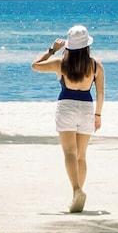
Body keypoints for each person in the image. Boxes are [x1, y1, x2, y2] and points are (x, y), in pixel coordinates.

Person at [33, 24, 104, 214]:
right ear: (87, 46)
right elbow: (101, 93)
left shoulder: (61, 63)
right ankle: (78, 192)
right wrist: (98, 115)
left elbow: (35, 65)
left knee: (70, 154)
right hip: (87, 108)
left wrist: (51, 50)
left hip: (67, 106)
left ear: (69, 46)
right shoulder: (96, 65)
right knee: (81, 155)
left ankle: (76, 190)